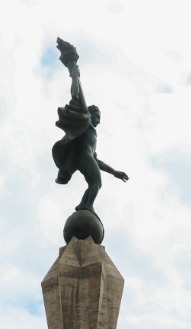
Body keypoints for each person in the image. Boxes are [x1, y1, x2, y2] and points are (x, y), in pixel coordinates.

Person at [52, 37, 129, 212]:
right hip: (83, 158)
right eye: (97, 116)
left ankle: (83, 205)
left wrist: (115, 172)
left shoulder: (91, 132)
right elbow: (78, 95)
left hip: (85, 158)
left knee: (94, 183)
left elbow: (97, 160)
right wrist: (74, 72)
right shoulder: (86, 122)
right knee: (96, 183)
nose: (99, 120)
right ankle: (87, 205)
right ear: (91, 114)